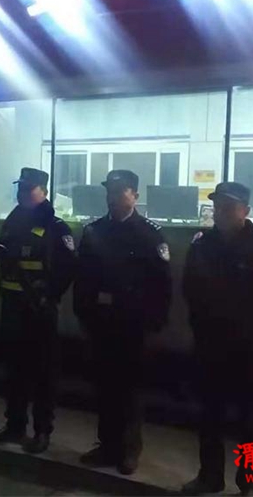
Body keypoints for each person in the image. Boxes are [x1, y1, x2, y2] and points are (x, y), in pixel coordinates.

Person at [181, 182, 253, 496]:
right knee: (209, 415)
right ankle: (210, 477)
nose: (221, 213)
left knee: (250, 420)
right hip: (210, 345)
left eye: (229, 207)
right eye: (218, 207)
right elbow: (190, 290)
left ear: (246, 211)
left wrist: (250, 329)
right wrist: (202, 328)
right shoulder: (201, 245)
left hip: (247, 349)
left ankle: (250, 484)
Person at [73, 169, 172, 475]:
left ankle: (129, 450)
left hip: (133, 324)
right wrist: (83, 314)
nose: (113, 197)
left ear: (135, 196)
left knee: (130, 389)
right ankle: (107, 445)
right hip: (101, 322)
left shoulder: (149, 233)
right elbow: (83, 278)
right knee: (104, 387)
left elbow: (162, 284)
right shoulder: (95, 231)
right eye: (110, 192)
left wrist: (154, 323)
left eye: (120, 192)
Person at [0, 168, 75, 454]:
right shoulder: (13, 221)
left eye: (29, 189)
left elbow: (67, 269)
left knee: (43, 373)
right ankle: (14, 425)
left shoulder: (56, 227)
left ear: (44, 192)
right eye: (20, 188)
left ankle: (42, 431)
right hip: (12, 307)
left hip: (39, 310)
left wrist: (49, 296)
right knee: (14, 371)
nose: (22, 193)